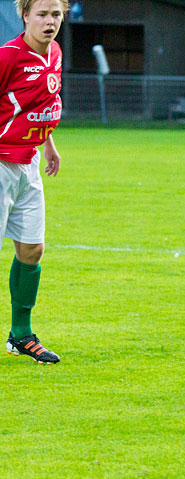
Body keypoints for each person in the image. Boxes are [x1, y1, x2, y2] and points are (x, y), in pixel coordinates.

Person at [1, 0, 68, 364]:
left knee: (31, 250)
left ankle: (21, 335)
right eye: (42, 14)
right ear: (25, 15)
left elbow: (43, 100)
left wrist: (49, 146)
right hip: (1, 163)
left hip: (29, 163)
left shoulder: (54, 52)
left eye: (56, 14)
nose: (50, 21)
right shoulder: (8, 57)